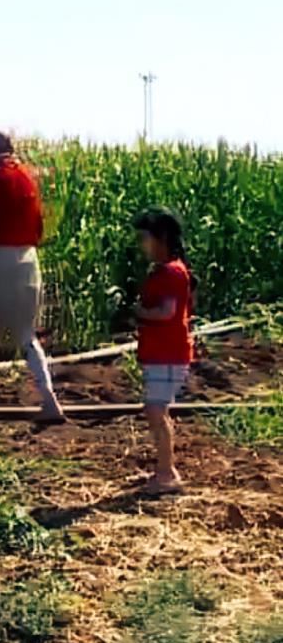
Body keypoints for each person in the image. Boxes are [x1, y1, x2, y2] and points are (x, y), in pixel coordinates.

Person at [0, 128, 66, 424]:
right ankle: (49, 400)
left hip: (1, 260)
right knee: (27, 337)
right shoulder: (23, 174)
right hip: (29, 260)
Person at [132, 208, 194, 494]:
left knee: (157, 410)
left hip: (168, 353)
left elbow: (167, 312)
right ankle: (164, 469)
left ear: (162, 238)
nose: (142, 244)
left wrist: (140, 312)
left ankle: (167, 474)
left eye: (146, 237)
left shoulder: (171, 272)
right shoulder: (167, 271)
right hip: (161, 353)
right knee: (156, 410)